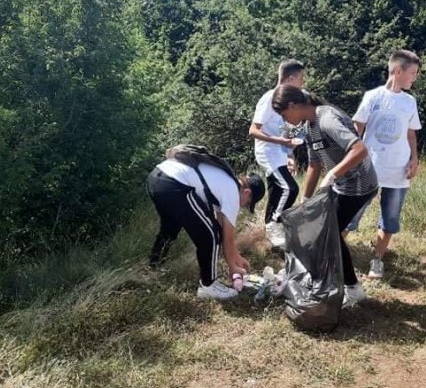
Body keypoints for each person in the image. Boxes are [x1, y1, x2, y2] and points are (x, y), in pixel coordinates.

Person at [271, 86, 378, 307]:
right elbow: (313, 164)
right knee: (324, 233)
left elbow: (359, 149)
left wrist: (333, 173)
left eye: (284, 115)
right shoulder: (309, 127)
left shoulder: (327, 118)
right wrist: (305, 199)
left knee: (328, 235)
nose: (285, 120)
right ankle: (330, 280)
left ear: (293, 105)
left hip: (359, 185)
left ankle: (351, 288)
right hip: (340, 185)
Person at [346, 50, 422, 279]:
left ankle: (377, 259)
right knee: (351, 213)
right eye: (412, 73)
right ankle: (333, 254)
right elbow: (356, 129)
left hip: (398, 171)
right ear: (398, 71)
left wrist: (414, 159)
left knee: (390, 219)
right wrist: (350, 160)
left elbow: (411, 135)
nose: (414, 78)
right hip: (370, 168)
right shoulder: (373, 97)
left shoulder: (409, 102)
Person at [147, 155, 266, 300]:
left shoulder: (225, 181)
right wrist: (233, 266)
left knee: (170, 227)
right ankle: (208, 285)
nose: (242, 207)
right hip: (174, 183)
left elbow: (222, 225)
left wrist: (235, 258)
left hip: (157, 177)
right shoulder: (232, 191)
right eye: (247, 204)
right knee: (211, 235)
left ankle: (153, 268)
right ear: (247, 193)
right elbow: (226, 238)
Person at [248, 59, 306, 247]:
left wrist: (289, 155)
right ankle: (275, 226)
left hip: (279, 151)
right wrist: (279, 142)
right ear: (290, 78)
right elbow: (253, 130)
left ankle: (270, 232)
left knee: (277, 189)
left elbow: (283, 130)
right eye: (301, 79)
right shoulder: (269, 98)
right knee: (290, 188)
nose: (302, 83)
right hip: (267, 151)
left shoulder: (286, 99)